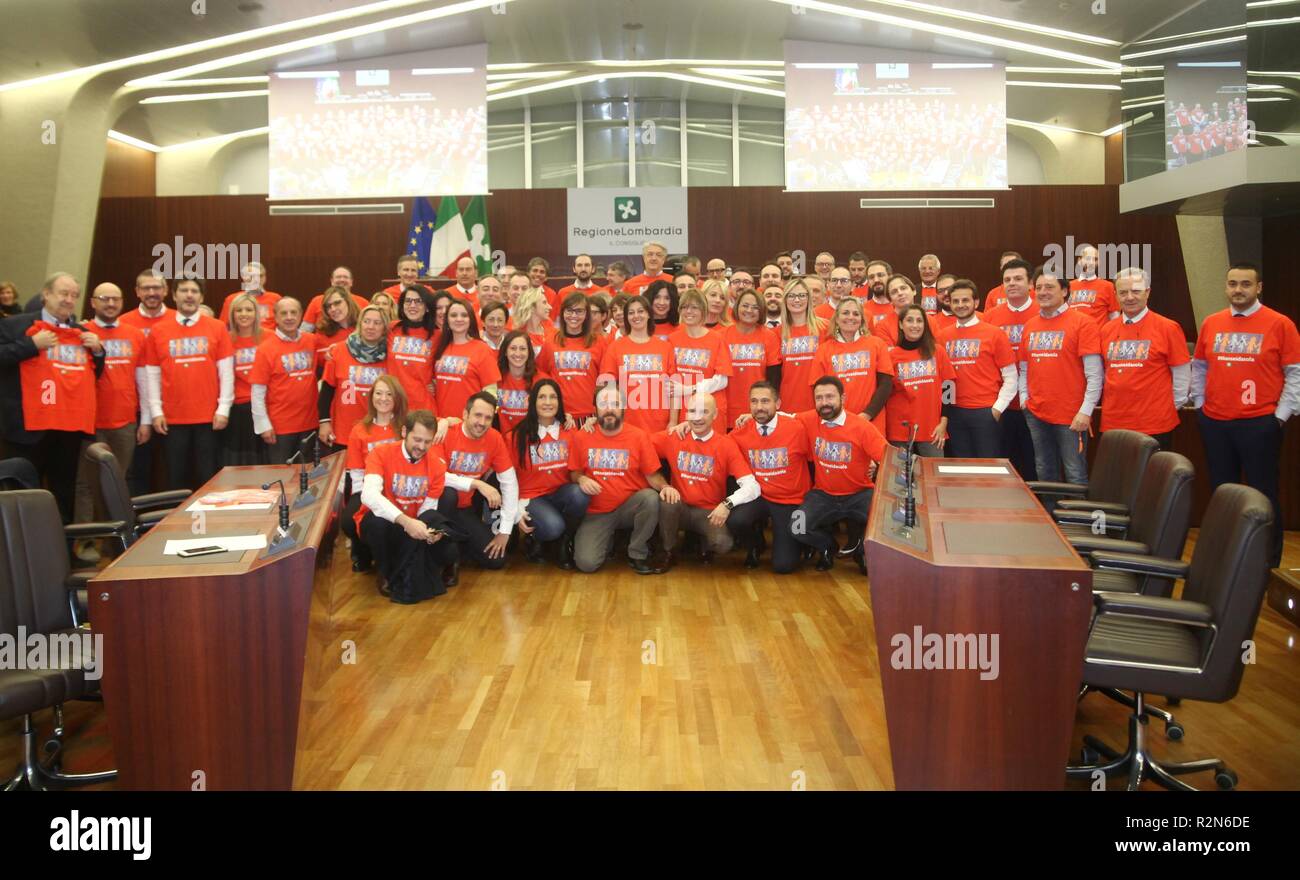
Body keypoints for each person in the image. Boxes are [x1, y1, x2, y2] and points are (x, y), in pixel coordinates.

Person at [1191, 262, 1300, 568]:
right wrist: (1201, 405)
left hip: (1260, 424)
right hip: (1215, 422)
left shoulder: (1280, 324)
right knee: (1223, 492)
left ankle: (1267, 560)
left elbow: (1295, 373)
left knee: (1263, 493)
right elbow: (1199, 366)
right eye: (1232, 284)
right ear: (1225, 287)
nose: (1238, 290)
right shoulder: (1212, 323)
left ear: (1258, 287)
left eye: (1245, 284)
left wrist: (1279, 417)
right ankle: (1225, 556)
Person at [0, 272, 104, 522]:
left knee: (62, 495)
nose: (69, 300)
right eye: (63, 293)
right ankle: (18, 557)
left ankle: (62, 556)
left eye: (74, 296)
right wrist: (31, 344)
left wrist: (99, 352)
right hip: (24, 430)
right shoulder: (15, 325)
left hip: (66, 430)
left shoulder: (81, 333)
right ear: (46, 294)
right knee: (21, 495)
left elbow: (92, 376)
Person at [72, 282, 150, 558]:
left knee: (119, 480)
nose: (110, 303)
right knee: (85, 484)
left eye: (115, 299)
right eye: (104, 298)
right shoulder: (80, 333)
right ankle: (85, 541)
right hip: (89, 421)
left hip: (126, 420)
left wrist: (146, 420)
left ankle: (117, 539)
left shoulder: (134, 334)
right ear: (93, 302)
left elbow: (143, 377)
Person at [357, 409, 461, 604]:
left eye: (427, 442)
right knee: (376, 523)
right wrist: (405, 521)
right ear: (404, 432)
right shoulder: (380, 453)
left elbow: (427, 509)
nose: (421, 446)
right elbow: (369, 495)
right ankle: (385, 571)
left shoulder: (437, 465)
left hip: (413, 523)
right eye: (417, 439)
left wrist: (428, 531)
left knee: (448, 548)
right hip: (386, 521)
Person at [569, 384, 670, 575]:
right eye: (603, 403)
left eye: (615, 403)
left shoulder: (639, 437)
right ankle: (608, 539)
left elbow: (652, 475)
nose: (609, 408)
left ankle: (637, 553)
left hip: (628, 508)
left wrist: (665, 486)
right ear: (595, 409)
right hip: (596, 512)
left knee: (650, 498)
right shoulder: (582, 436)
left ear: (623, 407)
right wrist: (581, 479)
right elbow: (573, 473)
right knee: (587, 564)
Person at [145, 276, 234, 490]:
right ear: (174, 295)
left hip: (209, 416)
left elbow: (226, 371)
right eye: (184, 290)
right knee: (176, 478)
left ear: (201, 297)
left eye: (194, 291)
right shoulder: (158, 330)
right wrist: (156, 411)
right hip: (172, 418)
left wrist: (224, 409)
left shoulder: (217, 327)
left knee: (207, 476)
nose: (189, 295)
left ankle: (209, 521)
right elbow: (152, 374)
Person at [792, 376, 888, 574]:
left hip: (859, 493)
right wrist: (751, 416)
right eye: (819, 398)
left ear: (843, 398)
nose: (824, 403)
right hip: (823, 495)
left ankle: (861, 550)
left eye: (830, 397)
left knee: (885, 519)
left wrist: (878, 465)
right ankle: (827, 546)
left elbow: (889, 456)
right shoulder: (809, 419)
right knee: (797, 526)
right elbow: (783, 417)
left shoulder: (861, 427)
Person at [652, 393, 759, 569]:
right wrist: (597, 424)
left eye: (704, 412)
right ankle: (667, 551)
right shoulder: (674, 437)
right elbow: (637, 443)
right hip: (681, 507)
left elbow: (752, 486)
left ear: (715, 415)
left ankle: (703, 540)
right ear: (685, 415)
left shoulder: (726, 445)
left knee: (724, 544)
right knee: (667, 501)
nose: (697, 417)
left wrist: (727, 504)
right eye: (692, 411)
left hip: (708, 513)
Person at [1018, 266, 1103, 485]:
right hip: (1036, 413)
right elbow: (1025, 368)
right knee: (1044, 471)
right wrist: (1024, 400)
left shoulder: (1083, 323)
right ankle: (1048, 518)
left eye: (1049, 286)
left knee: (1075, 473)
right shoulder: (1030, 326)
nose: (1043, 292)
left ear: (1064, 290)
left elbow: (1094, 374)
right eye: (1038, 287)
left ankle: (1077, 520)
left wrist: (1085, 411)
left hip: (1072, 417)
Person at [1100, 267, 1190, 450]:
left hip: (1155, 423)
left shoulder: (1168, 328)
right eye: (1123, 292)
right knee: (1120, 477)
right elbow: (1103, 373)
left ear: (1147, 292)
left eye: (1136, 291)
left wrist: (1170, 406)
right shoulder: (1106, 330)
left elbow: (1181, 372)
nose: (1130, 297)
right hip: (1114, 421)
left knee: (1155, 477)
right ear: (1116, 295)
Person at [728, 381, 813, 572]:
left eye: (765, 401)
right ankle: (756, 544)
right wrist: (688, 424)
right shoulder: (741, 431)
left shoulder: (797, 428)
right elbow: (718, 446)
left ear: (778, 404)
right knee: (735, 520)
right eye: (754, 402)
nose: (759, 407)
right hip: (759, 496)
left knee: (784, 566)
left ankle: (801, 541)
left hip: (790, 500)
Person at [508, 378, 590, 568]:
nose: (548, 402)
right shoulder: (517, 436)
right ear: (533, 402)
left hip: (559, 493)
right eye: (542, 397)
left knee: (580, 493)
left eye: (553, 397)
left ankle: (565, 542)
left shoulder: (569, 431)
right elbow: (508, 478)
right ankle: (536, 538)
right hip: (532, 498)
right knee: (553, 526)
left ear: (560, 402)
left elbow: (575, 469)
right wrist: (515, 510)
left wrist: (591, 423)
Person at [438, 391, 519, 578]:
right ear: (465, 414)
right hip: (435, 508)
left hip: (463, 509)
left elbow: (509, 484)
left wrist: (505, 532)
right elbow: (437, 477)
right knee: (448, 494)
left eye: (488, 418)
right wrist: (477, 484)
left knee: (496, 560)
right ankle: (449, 556)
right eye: (477, 415)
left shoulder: (494, 438)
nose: (482, 422)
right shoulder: (445, 433)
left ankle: (457, 546)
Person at [937, 279, 1017, 458]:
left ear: (976, 302)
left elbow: (1011, 377)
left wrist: (997, 409)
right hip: (955, 413)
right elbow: (944, 380)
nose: (960, 305)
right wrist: (946, 412)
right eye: (955, 301)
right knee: (962, 469)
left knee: (989, 470)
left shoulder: (994, 334)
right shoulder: (942, 337)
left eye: (965, 300)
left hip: (985, 411)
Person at [343, 375, 406, 572]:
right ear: (371, 397)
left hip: (399, 489)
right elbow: (356, 471)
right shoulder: (359, 430)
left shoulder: (405, 427)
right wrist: (365, 497)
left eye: (389, 394)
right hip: (368, 490)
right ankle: (364, 553)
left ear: (397, 398)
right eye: (378, 393)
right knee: (348, 521)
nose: (383, 398)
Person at [984, 258, 1040, 479]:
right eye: (1007, 280)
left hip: (1035, 404)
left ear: (1030, 284)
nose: (1012, 283)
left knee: (1034, 464)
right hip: (1001, 405)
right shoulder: (990, 317)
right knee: (1004, 465)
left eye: (1018, 278)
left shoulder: (1041, 312)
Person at [120, 270, 172, 494]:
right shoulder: (124, 323)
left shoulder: (178, 319)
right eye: (146, 288)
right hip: (137, 408)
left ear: (166, 291)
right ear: (137, 292)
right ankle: (139, 522)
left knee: (171, 469)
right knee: (137, 470)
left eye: (157, 287)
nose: (152, 293)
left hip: (172, 407)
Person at [250, 298, 319, 465]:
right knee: (283, 479)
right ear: (276, 317)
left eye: (293, 312)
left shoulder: (312, 341)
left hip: (310, 424)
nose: (289, 317)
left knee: (309, 476)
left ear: (301, 315)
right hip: (280, 428)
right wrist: (263, 425)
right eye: (284, 313)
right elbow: (257, 392)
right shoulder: (265, 349)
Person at [599, 293, 678, 433]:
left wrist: (672, 421)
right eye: (631, 313)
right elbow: (608, 389)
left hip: (660, 424)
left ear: (649, 314)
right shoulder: (615, 347)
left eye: (641, 311)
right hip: (627, 424)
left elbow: (673, 390)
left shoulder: (665, 347)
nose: (636, 316)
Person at [814, 297, 893, 434]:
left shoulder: (877, 344)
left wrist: (867, 415)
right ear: (837, 319)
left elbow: (885, 385)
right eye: (845, 313)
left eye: (856, 314)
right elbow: (819, 390)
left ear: (862, 320)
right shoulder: (824, 349)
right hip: (836, 422)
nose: (851, 317)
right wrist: (837, 417)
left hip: (871, 422)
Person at [886, 304, 955, 457]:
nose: (915, 325)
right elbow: (886, 393)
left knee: (933, 478)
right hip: (899, 430)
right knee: (899, 479)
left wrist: (943, 423)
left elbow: (949, 389)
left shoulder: (938, 352)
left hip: (932, 429)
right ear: (901, 325)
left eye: (919, 321)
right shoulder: (891, 356)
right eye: (910, 320)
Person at [318, 305, 389, 451]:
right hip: (344, 431)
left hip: (379, 431)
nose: (371, 327)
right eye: (366, 321)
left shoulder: (391, 354)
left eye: (377, 323)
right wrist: (324, 422)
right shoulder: (338, 350)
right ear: (360, 323)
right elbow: (327, 390)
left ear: (385, 327)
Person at [538, 293, 607, 428]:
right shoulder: (551, 340)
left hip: (589, 417)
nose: (574, 316)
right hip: (558, 414)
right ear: (562, 313)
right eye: (569, 311)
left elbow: (606, 381)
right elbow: (541, 374)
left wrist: (600, 413)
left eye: (579, 311)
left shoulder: (599, 342)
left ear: (587, 314)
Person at [669, 289, 732, 429]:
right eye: (684, 307)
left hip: (711, 411)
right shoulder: (673, 339)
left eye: (694, 307)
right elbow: (673, 386)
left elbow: (721, 381)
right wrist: (673, 421)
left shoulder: (717, 339)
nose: (688, 311)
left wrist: (689, 389)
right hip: (686, 411)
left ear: (703, 311)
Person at [720, 289, 781, 431]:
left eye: (755, 307)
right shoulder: (721, 336)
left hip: (758, 411)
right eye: (745, 305)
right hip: (726, 410)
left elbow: (773, 379)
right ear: (736, 307)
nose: (749, 310)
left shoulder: (769, 336)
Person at [433, 298, 500, 419]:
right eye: (453, 315)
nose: (459, 319)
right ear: (447, 320)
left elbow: (491, 392)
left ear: (471, 319)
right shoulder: (440, 347)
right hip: (441, 423)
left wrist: (480, 418)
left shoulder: (482, 349)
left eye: (464, 315)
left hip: (470, 424)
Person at [224, 292, 264, 466]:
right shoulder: (225, 339)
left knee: (262, 459)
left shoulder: (268, 337)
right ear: (232, 314)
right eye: (239, 310)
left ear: (256, 313)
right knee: (239, 462)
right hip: (237, 409)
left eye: (249, 309)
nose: (244, 314)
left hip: (264, 407)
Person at [778, 278, 825, 414]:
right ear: (785, 300)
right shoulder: (776, 333)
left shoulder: (824, 328)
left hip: (819, 403)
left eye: (801, 295)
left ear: (809, 299)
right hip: (787, 403)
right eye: (791, 296)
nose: (797, 300)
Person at [388, 286, 437, 411]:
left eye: (418, 301)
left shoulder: (438, 335)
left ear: (427, 307)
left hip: (423, 407)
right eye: (408, 301)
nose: (412, 305)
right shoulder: (391, 329)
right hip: (392, 405)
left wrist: (437, 384)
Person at [496, 330, 538, 437]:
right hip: (501, 443)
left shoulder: (541, 381)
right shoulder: (495, 378)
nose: (518, 353)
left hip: (531, 442)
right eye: (513, 348)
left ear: (529, 352)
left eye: (523, 349)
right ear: (505, 351)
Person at [301, 266, 368, 332]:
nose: (342, 279)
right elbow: (305, 331)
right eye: (338, 277)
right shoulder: (316, 301)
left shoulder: (364, 302)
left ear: (351, 282)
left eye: (345, 277)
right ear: (332, 281)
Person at [1068, 245, 1120, 327]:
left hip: (1098, 337)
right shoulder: (1068, 286)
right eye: (1088, 258)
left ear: (1098, 263)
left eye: (1095, 259)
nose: (1091, 263)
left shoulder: (1107, 286)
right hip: (1074, 336)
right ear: (1079, 261)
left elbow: (1115, 317)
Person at [219, 262, 280, 330]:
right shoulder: (232, 299)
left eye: (260, 276)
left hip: (270, 339)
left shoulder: (275, 298)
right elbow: (223, 327)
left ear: (265, 278)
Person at [312, 286, 359, 362]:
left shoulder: (365, 327)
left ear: (348, 301)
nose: (333, 309)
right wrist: (325, 357)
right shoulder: (322, 332)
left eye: (337, 303)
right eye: (328, 306)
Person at [513, 288, 552, 353]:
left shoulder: (550, 328)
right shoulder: (518, 336)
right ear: (532, 307)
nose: (550, 307)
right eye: (544, 303)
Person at [860, 259, 894, 330]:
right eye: (871, 277)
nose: (876, 280)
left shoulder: (900, 307)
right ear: (868, 283)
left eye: (880, 275)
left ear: (890, 277)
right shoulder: (862, 310)